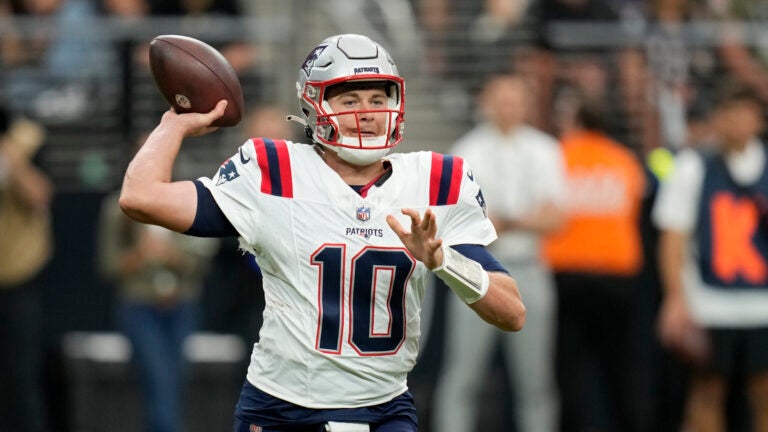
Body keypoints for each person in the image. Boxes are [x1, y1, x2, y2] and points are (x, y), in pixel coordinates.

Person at [118, 33, 526, 432]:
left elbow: (512, 313)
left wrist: (443, 260)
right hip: (283, 408)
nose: (366, 112)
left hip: (385, 406)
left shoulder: (437, 180)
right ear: (315, 108)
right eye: (349, 99)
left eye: (377, 99)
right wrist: (175, 124)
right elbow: (140, 196)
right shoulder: (274, 171)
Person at [432, 73, 565, 432]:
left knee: (535, 378)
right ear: (486, 103)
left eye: (515, 99)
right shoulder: (465, 151)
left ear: (526, 104)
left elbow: (556, 217)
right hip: (475, 271)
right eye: (500, 99)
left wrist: (501, 221)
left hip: (530, 268)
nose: (508, 107)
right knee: (463, 374)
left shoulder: (546, 149)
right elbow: (457, 220)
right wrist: (524, 219)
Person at [653, 83, 768, 432]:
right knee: (707, 392)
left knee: (763, 392)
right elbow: (673, 236)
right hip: (710, 302)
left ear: (759, 120)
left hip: (762, 303)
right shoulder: (693, 166)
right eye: (729, 113)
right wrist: (676, 297)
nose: (736, 122)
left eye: (744, 113)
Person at [97, 134, 219, 432]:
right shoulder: (118, 207)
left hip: (181, 304)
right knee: (157, 380)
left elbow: (202, 263)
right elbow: (109, 266)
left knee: (173, 383)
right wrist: (140, 255)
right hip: (140, 305)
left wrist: (170, 256)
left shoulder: (191, 201)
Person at [543, 90, 647, 432]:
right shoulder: (624, 160)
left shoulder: (556, 157)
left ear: (574, 122)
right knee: (622, 369)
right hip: (618, 277)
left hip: (568, 274)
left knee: (569, 370)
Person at [0, 104, 53, 432]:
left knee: (21, 378)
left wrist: (11, 156)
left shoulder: (27, 140)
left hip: (19, 279)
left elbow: (39, 196)